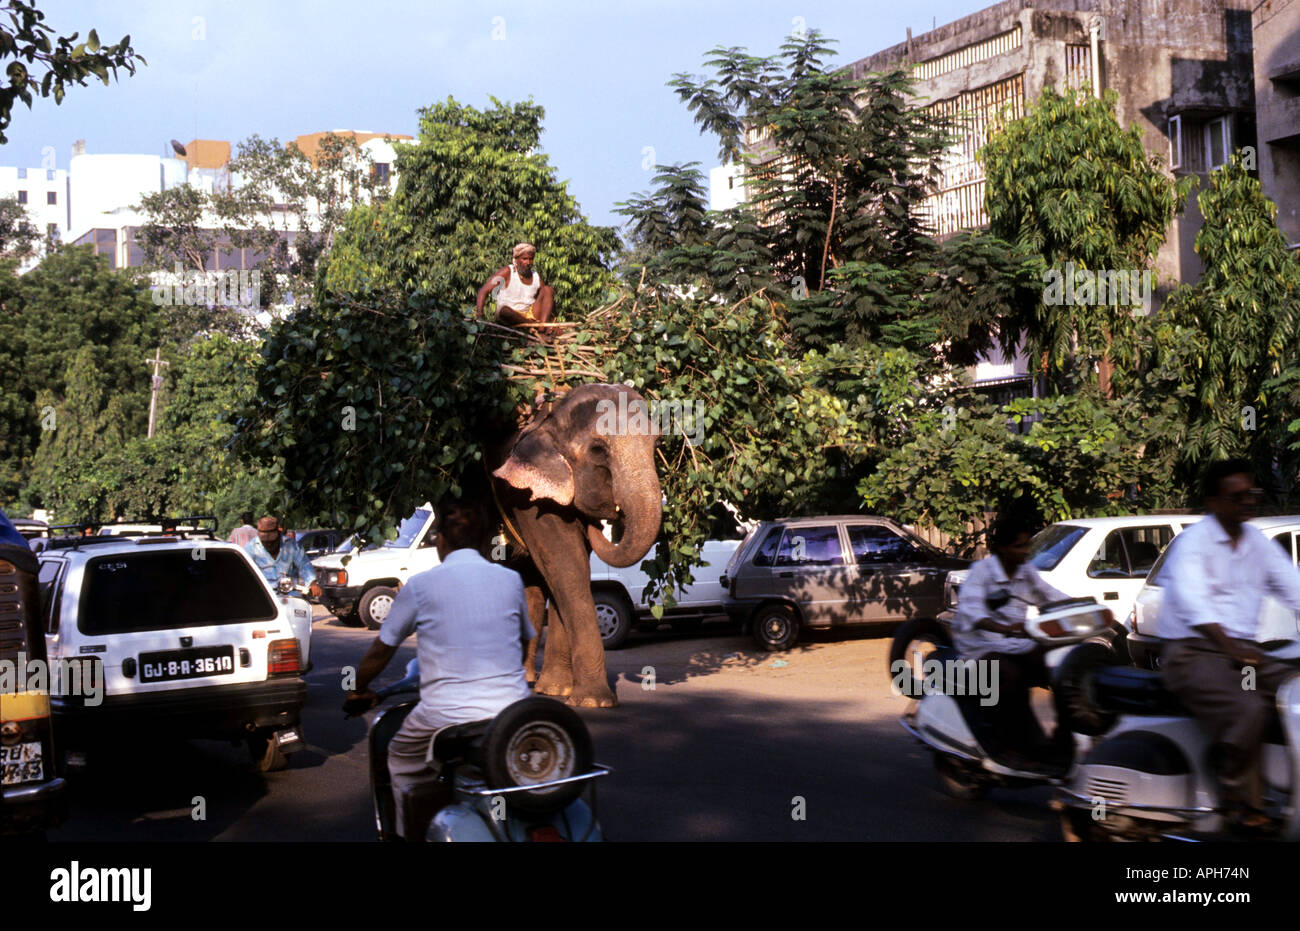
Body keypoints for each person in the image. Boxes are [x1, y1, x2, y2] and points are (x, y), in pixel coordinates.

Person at [344, 496, 533, 840]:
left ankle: (406, 834)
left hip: (443, 718)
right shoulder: (510, 581)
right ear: (480, 541)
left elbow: (380, 650)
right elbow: (522, 644)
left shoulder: (420, 585)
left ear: (440, 541)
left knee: (400, 760)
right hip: (513, 714)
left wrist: (358, 687)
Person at [1158, 459, 1300, 831]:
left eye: (1250, 494)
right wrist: (1233, 648)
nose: (1247, 503)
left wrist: (1240, 650)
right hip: (1191, 652)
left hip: (1243, 653)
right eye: (1236, 497)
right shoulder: (1194, 543)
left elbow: (1294, 590)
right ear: (1213, 502)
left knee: (1294, 690)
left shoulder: (1258, 543)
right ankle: (1238, 801)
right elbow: (1195, 604)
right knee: (1247, 707)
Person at [950, 511, 1075, 768]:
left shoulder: (1025, 572)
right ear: (1002, 548)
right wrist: (1003, 626)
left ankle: (1060, 741)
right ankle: (1005, 747)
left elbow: (1050, 596)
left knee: (1061, 668)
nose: (1026, 551)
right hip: (978, 650)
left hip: (1015, 644)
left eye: (1028, 544)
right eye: (1020, 546)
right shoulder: (982, 572)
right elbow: (974, 612)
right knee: (1010, 677)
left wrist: (1081, 608)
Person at [474, 243, 555, 329]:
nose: (528, 262)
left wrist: (552, 318)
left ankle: (542, 328)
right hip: (510, 316)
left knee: (548, 289)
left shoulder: (535, 276)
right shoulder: (508, 271)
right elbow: (483, 291)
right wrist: (480, 315)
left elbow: (546, 298)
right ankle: (533, 327)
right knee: (504, 311)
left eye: (531, 259)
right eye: (524, 259)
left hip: (529, 315)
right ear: (516, 260)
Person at [242, 515, 316, 588]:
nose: (269, 545)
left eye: (272, 542)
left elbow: (304, 564)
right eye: (265, 542)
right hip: (265, 593)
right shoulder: (250, 548)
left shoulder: (291, 545)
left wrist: (312, 583)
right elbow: (244, 572)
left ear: (279, 534)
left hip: (290, 590)